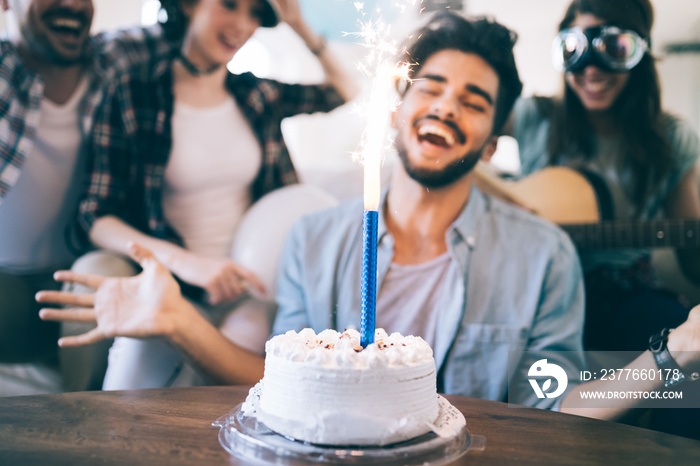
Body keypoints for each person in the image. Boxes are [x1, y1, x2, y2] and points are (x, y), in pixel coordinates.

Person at [36, 13, 700, 422]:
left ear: (493, 144)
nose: (444, 107)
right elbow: (285, 385)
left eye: (473, 101)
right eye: (430, 88)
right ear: (396, 110)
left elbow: (559, 407)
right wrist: (179, 322)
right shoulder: (316, 242)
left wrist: (677, 354)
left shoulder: (543, 258)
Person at [71, 0, 356, 390]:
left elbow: (346, 89)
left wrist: (296, 23)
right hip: (172, 287)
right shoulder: (134, 93)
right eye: (229, 5)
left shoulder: (257, 94)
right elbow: (94, 215)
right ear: (187, 5)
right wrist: (188, 264)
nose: (242, 24)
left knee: (221, 397)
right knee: (128, 402)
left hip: (249, 294)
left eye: (256, 13)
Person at [509, 0, 700, 353]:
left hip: (628, 297)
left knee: (675, 346)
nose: (591, 71)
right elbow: (466, 132)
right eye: (574, 50)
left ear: (639, 52)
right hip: (536, 288)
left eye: (614, 48)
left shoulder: (672, 138)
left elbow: (693, 259)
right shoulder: (535, 116)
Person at [0, 0, 170, 394]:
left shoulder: (113, 59)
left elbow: (192, 24)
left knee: (104, 271)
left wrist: (301, 28)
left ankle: (84, 427)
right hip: (8, 294)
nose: (73, 3)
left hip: (82, 283)